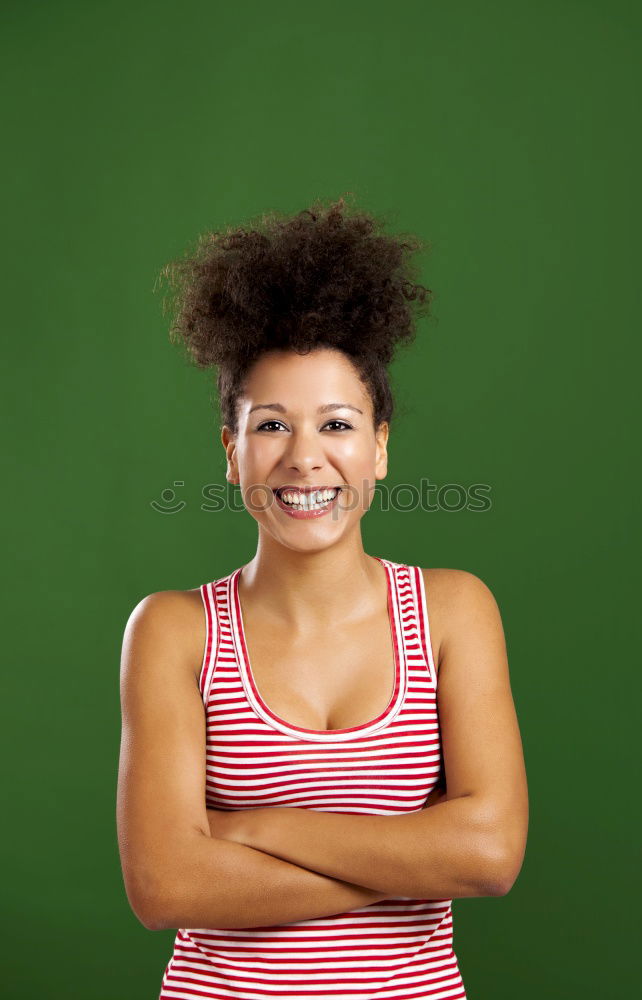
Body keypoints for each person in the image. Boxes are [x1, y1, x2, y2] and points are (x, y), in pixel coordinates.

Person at [117, 194, 529, 1000]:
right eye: (271, 426)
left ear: (380, 447)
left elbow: (490, 855)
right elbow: (165, 887)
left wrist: (254, 833)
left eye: (337, 425)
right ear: (231, 452)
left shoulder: (453, 612)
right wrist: (416, 854)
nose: (305, 459)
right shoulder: (174, 630)